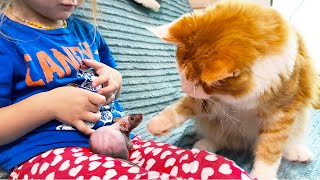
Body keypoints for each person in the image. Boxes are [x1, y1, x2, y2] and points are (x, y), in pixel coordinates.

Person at [0, 0, 253, 179]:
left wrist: (114, 81)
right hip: (49, 154)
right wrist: (48, 105)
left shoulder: (86, 32)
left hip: (122, 141)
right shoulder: (5, 37)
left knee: (218, 169)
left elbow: (110, 80)